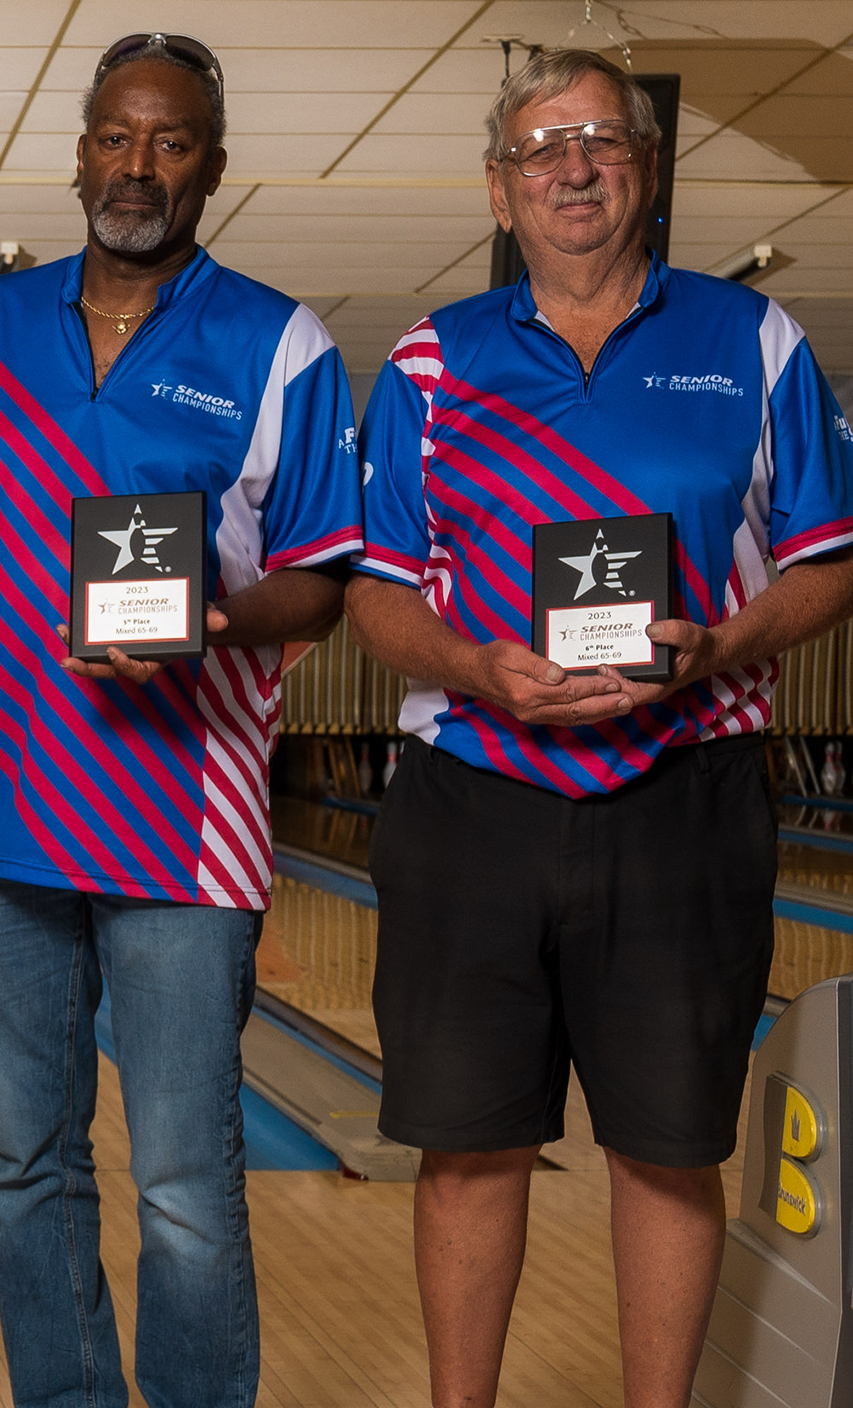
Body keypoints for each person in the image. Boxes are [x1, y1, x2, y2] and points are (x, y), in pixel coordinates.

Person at [347, 47, 853, 1408]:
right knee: (467, 1148)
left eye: (600, 141)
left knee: (669, 1145)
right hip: (473, 794)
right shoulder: (429, 361)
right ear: (502, 188)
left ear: (643, 166)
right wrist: (475, 666)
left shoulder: (756, 342)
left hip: (687, 789)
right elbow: (378, 599)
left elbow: (829, 560)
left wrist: (724, 647)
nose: (572, 167)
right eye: (541, 147)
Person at [0, 34, 361, 1407]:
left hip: (182, 833)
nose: (137, 164)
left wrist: (214, 620)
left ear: (212, 164)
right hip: (0, 817)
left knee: (184, 1182)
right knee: (25, 1167)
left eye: (171, 141)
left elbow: (321, 585)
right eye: (115, 134)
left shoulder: (283, 342)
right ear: (79, 147)